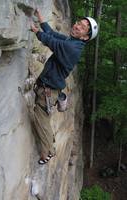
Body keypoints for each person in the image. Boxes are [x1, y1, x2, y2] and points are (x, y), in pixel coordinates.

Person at [31, 9, 98, 164]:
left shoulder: (72, 48)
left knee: (40, 118)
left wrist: (36, 31)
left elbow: (51, 41)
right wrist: (41, 20)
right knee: (43, 117)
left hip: (49, 89)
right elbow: (53, 35)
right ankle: (50, 140)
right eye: (78, 23)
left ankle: (48, 151)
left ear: (85, 37)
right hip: (50, 86)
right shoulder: (72, 41)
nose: (76, 26)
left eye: (81, 27)